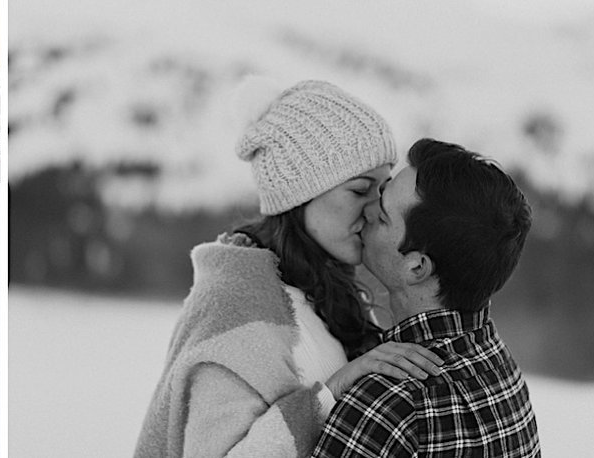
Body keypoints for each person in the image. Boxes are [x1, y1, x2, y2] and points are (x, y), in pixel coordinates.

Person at [134, 80, 444, 458]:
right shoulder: (233, 310)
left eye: (383, 189)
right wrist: (330, 394)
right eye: (360, 189)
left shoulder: (319, 289)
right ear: (300, 194)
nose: (375, 209)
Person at [312, 139, 540, 457]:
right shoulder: (500, 368)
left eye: (381, 216)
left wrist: (323, 398)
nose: (366, 212)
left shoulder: (387, 400)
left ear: (416, 266)